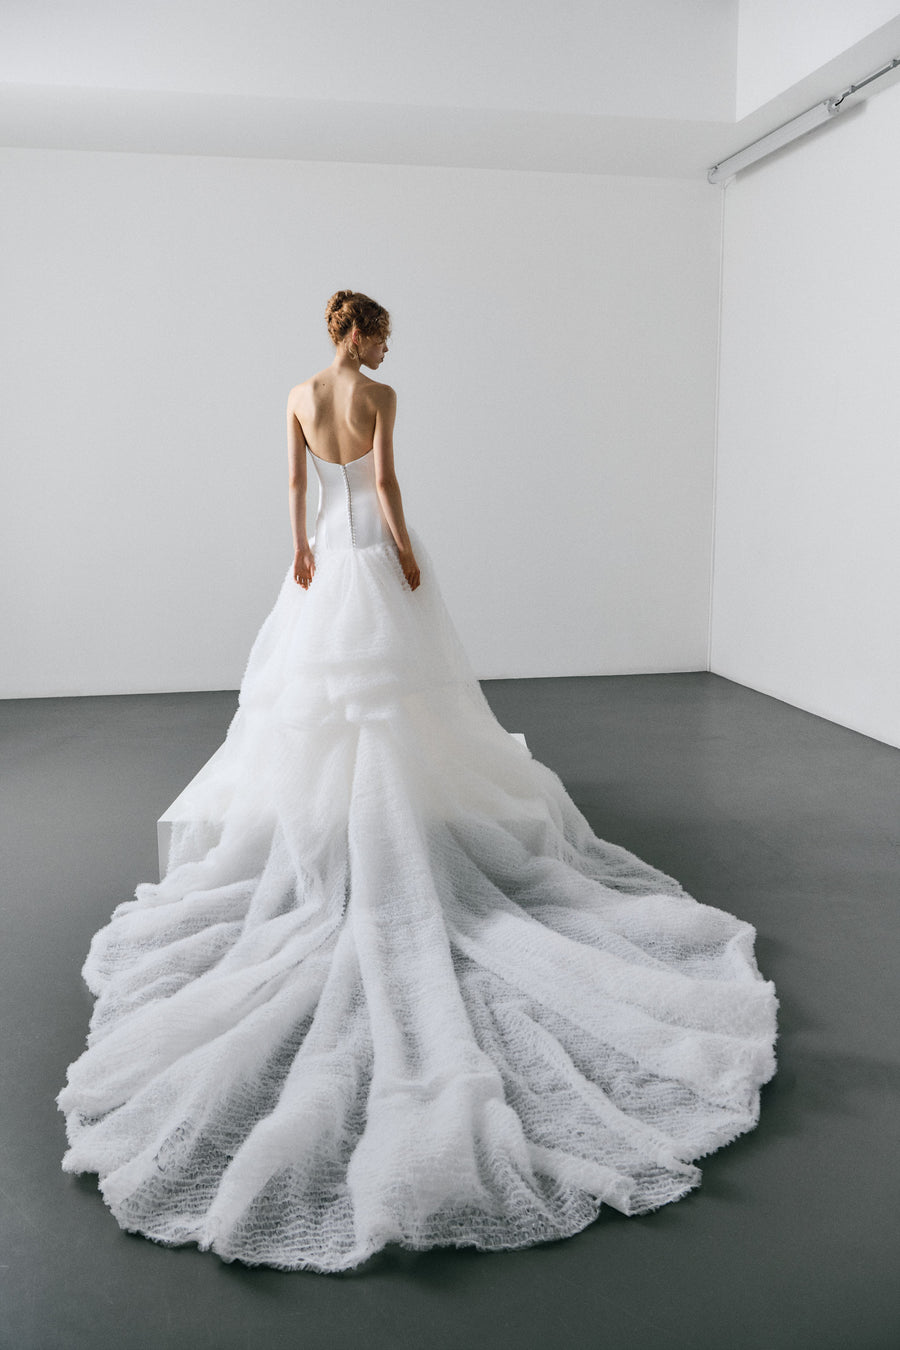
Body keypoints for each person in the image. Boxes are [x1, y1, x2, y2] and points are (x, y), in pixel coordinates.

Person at [56, 290, 779, 1275]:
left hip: (321, 563)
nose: (389, 347)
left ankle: (346, 836)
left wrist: (303, 549)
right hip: (369, 555)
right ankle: (390, 837)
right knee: (402, 707)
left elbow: (295, 484)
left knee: (324, 716)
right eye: (383, 333)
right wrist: (401, 556)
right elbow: (387, 482)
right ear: (357, 334)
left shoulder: (298, 396)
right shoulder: (379, 398)